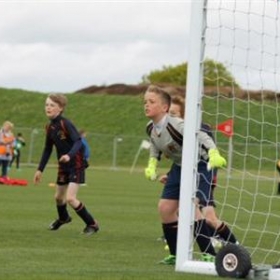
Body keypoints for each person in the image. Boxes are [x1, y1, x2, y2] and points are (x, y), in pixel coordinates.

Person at [144, 85, 238, 265]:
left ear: (164, 107)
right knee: (165, 208)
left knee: (192, 207)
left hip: (200, 165)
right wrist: (152, 164)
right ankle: (175, 254)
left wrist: (213, 153)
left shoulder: (177, 124)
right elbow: (155, 144)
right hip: (180, 166)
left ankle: (209, 253)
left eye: (151, 102)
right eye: (145, 102)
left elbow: (202, 136)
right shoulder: (150, 127)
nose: (146, 105)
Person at [33, 93, 99, 235]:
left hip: (77, 164)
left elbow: (78, 142)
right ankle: (63, 218)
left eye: (52, 105)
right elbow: (47, 149)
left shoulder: (65, 123)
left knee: (70, 198)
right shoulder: (49, 127)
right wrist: (40, 170)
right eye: (46, 105)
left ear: (61, 108)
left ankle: (92, 224)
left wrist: (69, 155)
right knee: (58, 197)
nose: (48, 108)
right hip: (64, 166)